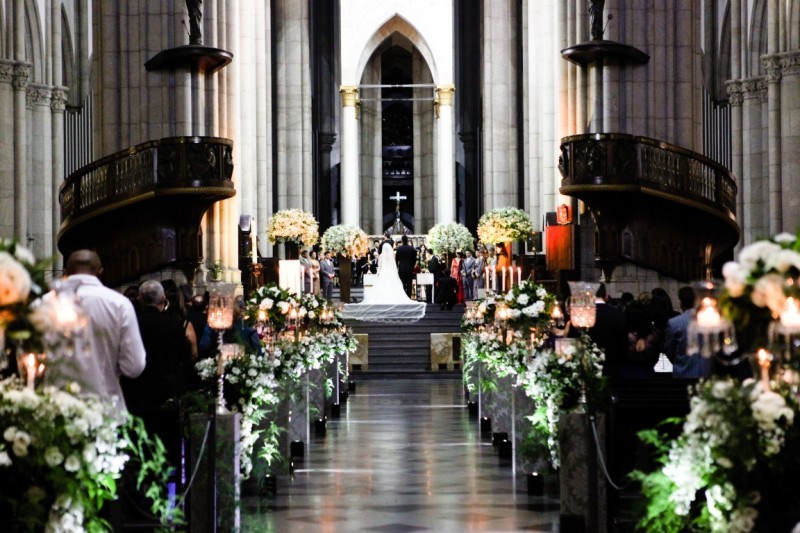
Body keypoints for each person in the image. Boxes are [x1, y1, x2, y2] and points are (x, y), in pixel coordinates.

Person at [52, 250, 146, 415]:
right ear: (100, 271)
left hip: (54, 412)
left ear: (65, 272)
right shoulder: (119, 304)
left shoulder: (43, 305)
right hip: (105, 412)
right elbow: (134, 366)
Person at [122, 280, 192, 414]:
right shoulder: (174, 324)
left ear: (140, 299)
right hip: (167, 389)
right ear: (162, 298)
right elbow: (184, 355)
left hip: (138, 390)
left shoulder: (132, 325)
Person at [664, 286, 711, 378]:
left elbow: (669, 351)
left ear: (681, 303)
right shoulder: (710, 320)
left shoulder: (674, 323)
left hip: (683, 372)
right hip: (706, 372)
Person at [587, 282, 628, 378]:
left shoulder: (582, 315)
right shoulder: (618, 315)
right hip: (613, 365)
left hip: (588, 367)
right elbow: (624, 344)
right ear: (606, 296)